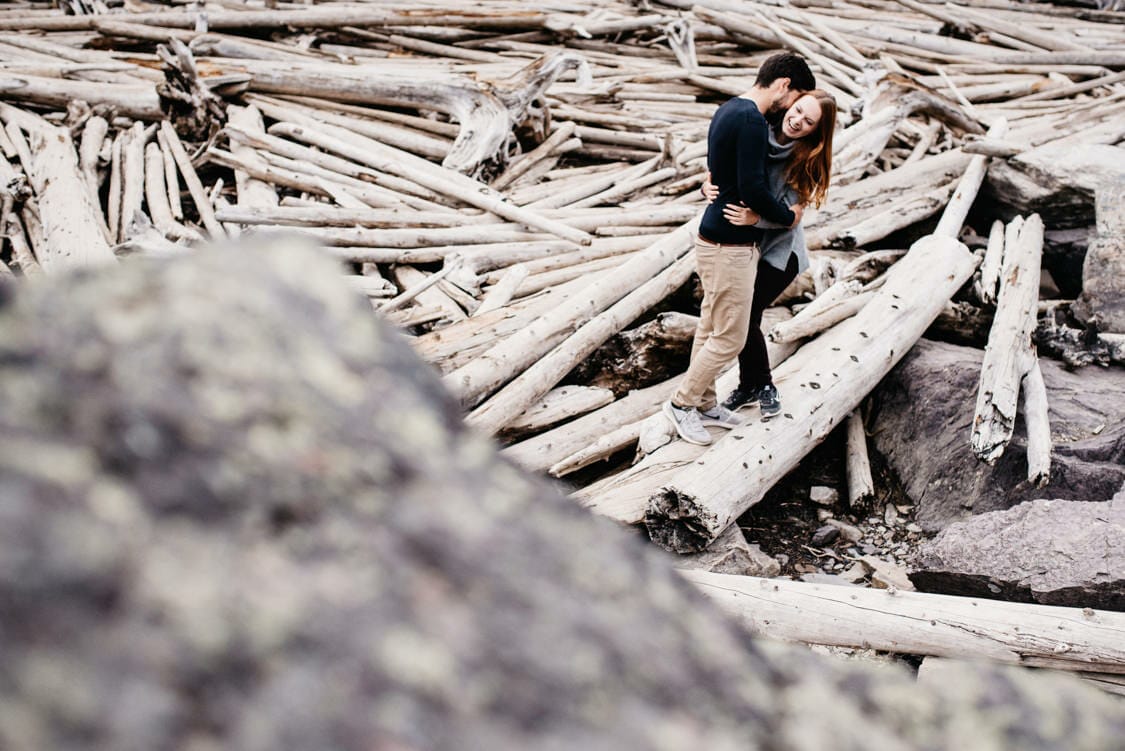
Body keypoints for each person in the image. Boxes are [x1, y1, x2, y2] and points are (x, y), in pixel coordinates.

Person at [663, 52, 816, 446]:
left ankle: (704, 402)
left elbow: (720, 167)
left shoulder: (729, 108)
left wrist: (713, 185)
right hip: (730, 243)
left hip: (713, 235)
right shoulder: (751, 119)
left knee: (711, 325)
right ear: (783, 85)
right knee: (729, 337)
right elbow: (752, 188)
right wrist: (786, 217)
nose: (790, 109)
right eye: (794, 97)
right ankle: (681, 405)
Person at [704, 89, 838, 419]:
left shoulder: (804, 159)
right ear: (790, 103)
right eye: (797, 111)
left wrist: (756, 218)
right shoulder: (757, 131)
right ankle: (751, 383)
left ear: (815, 131)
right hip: (748, 248)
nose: (797, 121)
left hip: (782, 255)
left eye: (809, 122)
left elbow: (792, 216)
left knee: (746, 315)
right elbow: (729, 166)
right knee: (741, 316)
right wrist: (706, 183)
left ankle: (762, 384)